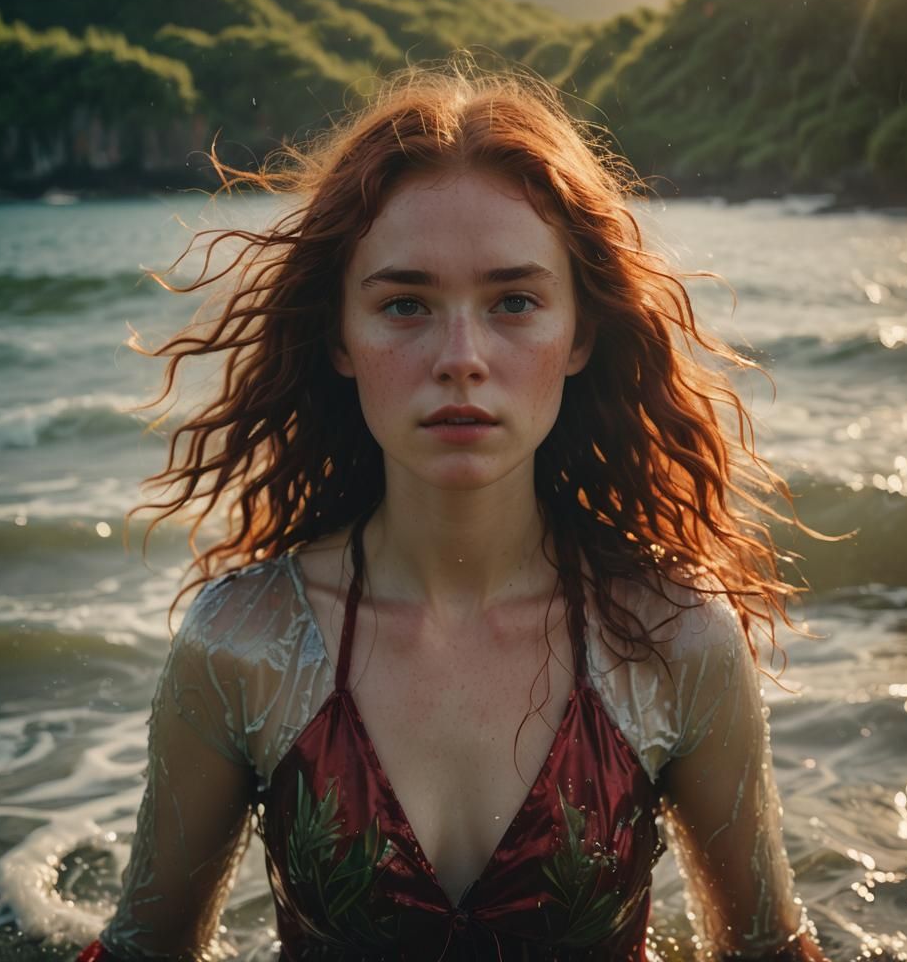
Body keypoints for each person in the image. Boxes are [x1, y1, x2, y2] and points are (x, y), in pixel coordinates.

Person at [78, 59, 830, 961]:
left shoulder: (676, 639)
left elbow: (771, 953)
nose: (461, 356)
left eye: (514, 301)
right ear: (340, 338)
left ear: (581, 331)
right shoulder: (241, 644)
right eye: (405, 304)